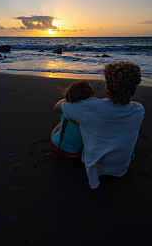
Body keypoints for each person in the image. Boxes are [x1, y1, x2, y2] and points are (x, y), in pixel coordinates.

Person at [54, 61, 145, 189]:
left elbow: (57, 107)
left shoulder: (89, 107)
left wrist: (72, 100)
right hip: (120, 168)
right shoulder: (139, 110)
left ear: (108, 84)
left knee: (67, 117)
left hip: (93, 165)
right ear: (134, 87)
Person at [51, 80, 95, 158]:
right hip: (74, 154)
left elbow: (57, 106)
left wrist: (68, 100)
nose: (94, 93)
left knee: (62, 122)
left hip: (56, 146)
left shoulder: (68, 107)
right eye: (93, 92)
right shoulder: (90, 113)